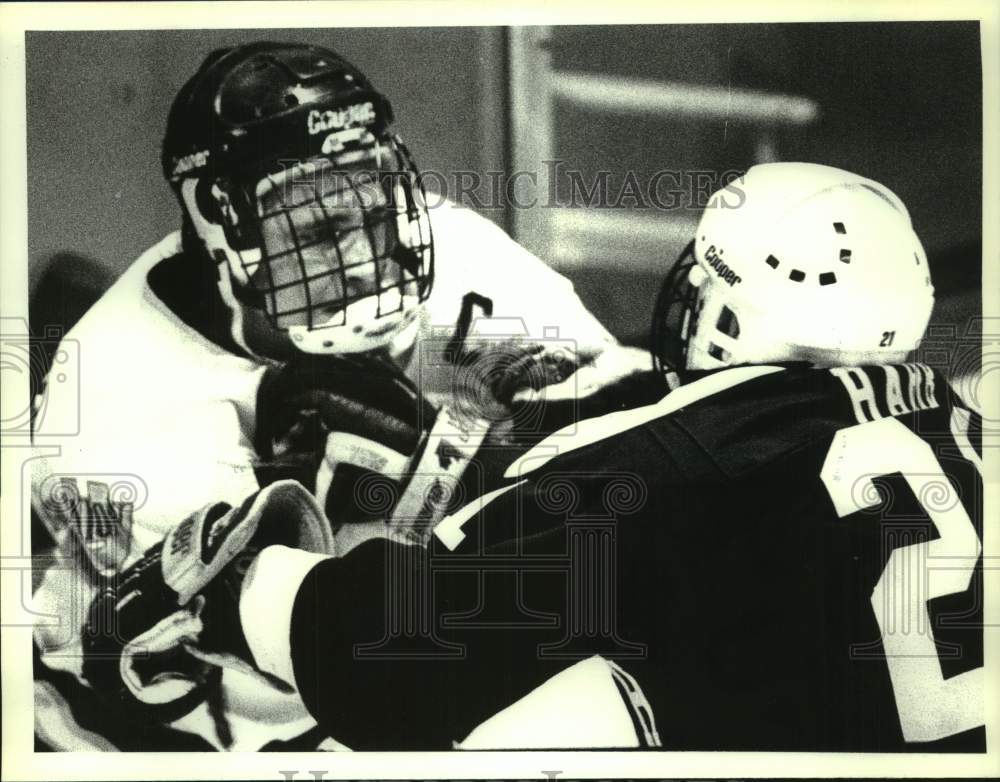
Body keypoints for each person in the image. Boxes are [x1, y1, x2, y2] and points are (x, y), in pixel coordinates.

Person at [80, 161, 985, 751]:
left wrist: (247, 588)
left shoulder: (659, 471)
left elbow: (400, 653)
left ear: (735, 310)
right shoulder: (967, 420)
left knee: (572, 707)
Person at [29, 41, 652, 751]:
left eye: (373, 212)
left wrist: (515, 435)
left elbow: (622, 424)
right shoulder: (122, 402)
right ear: (216, 216)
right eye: (321, 232)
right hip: (189, 736)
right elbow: (328, 658)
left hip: (380, 661)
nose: (364, 258)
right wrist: (454, 472)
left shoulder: (449, 249)